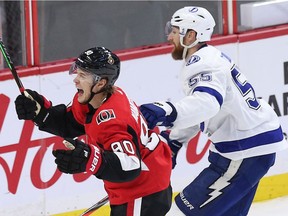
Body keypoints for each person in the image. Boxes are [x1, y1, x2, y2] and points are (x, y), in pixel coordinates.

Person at [140, 6, 288, 216]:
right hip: (250, 148)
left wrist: (168, 110)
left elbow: (207, 103)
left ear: (190, 35)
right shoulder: (207, 58)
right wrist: (175, 139)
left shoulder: (204, 64)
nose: (169, 36)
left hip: (243, 152)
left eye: (174, 30)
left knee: (183, 212)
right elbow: (203, 108)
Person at [14, 47, 172, 216]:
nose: (75, 80)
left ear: (101, 83)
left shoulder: (112, 119)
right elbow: (69, 123)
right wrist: (42, 114)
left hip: (143, 191)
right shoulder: (96, 99)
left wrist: (91, 159)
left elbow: (131, 166)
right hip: (139, 183)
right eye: (77, 73)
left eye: (82, 75)